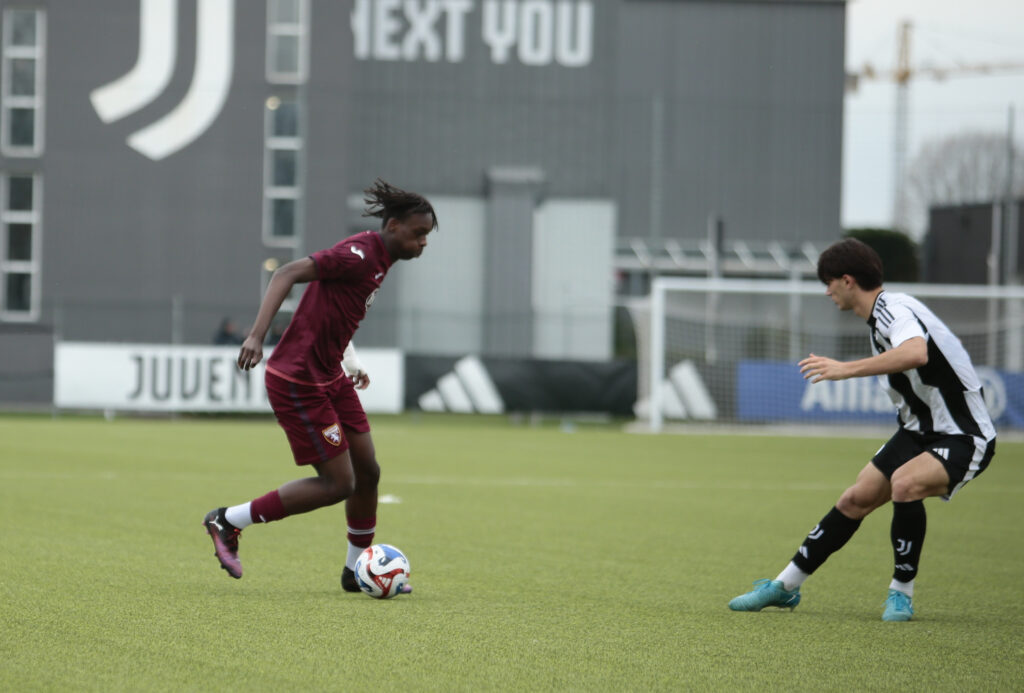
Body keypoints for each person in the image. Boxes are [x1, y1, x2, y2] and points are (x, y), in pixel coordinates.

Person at [728, 238, 996, 621]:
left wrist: (844, 369)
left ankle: (901, 594)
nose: (827, 291)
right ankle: (784, 587)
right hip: (917, 430)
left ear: (848, 280)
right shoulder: (881, 318)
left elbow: (916, 352)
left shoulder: (892, 309)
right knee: (855, 499)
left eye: (829, 282)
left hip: (964, 435)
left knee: (905, 484)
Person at [202, 179, 437, 592]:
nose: (423, 243)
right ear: (394, 226)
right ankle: (228, 520)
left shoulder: (380, 260)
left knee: (368, 470)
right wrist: (256, 336)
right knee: (339, 483)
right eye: (419, 234)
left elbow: (335, 311)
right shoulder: (359, 255)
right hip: (299, 380)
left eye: (427, 236)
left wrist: (350, 359)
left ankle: (354, 571)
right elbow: (287, 273)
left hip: (330, 375)